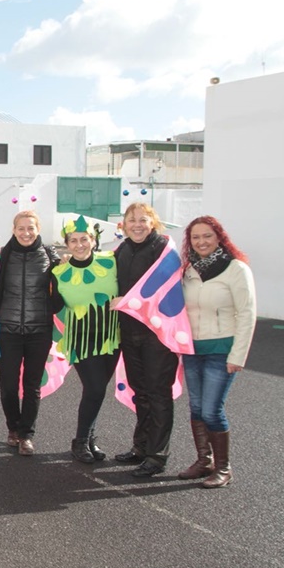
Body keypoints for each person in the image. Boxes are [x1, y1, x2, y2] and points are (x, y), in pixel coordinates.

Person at [178, 216, 256, 488]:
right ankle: (204, 461)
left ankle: (223, 468)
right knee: (197, 407)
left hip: (222, 350)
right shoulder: (188, 270)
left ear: (219, 237)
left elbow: (247, 314)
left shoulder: (236, 269)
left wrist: (238, 355)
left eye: (207, 236)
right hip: (192, 350)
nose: (202, 242)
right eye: (196, 237)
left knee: (212, 410)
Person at [113, 202, 179, 477]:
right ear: (124, 224)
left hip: (157, 335)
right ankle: (141, 447)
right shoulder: (122, 249)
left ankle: (157, 455)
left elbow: (163, 292)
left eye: (143, 220)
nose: (137, 225)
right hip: (130, 333)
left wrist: (126, 302)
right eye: (132, 220)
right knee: (140, 391)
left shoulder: (164, 250)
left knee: (158, 393)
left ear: (153, 222)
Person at [51, 215, 119, 464]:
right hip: (81, 339)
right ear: (67, 244)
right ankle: (80, 441)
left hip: (111, 338)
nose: (79, 245)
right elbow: (52, 305)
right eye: (73, 240)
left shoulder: (111, 262)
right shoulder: (58, 272)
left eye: (84, 239)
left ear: (93, 240)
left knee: (97, 391)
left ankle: (89, 438)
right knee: (95, 388)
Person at [0, 210, 59, 456]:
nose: (26, 233)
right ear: (14, 230)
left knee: (32, 386)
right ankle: (13, 427)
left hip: (39, 330)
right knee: (8, 384)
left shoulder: (50, 256)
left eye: (31, 228)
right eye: (21, 228)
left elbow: (66, 280)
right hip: (8, 329)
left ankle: (26, 435)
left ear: (38, 229)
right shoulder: (3, 255)